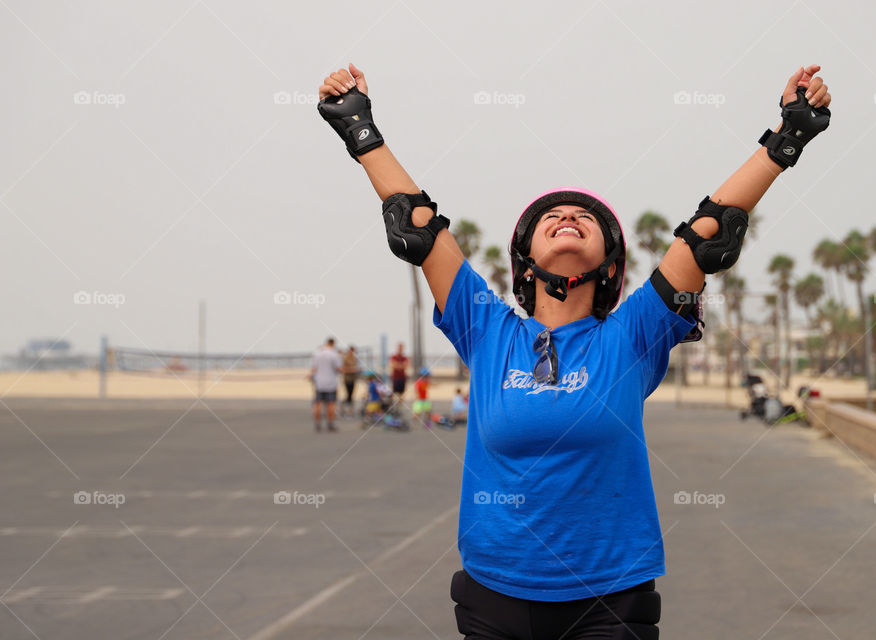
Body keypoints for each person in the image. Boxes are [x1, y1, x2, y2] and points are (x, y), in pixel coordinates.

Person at [318, 62, 831, 638]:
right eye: (551, 217)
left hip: (608, 600)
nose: (566, 217)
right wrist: (360, 130)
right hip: (495, 594)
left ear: (610, 265)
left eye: (583, 217)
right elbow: (416, 225)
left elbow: (709, 228)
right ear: (526, 258)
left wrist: (787, 138)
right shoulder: (487, 329)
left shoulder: (633, 333)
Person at [308, 337, 342, 432]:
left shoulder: (317, 354)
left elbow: (314, 369)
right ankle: (330, 423)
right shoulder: (334, 355)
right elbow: (338, 369)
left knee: (317, 404)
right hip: (331, 382)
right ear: (333, 344)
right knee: (331, 404)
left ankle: (317, 424)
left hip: (319, 382)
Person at [340, 345, 361, 416]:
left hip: (353, 379)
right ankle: (343, 408)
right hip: (347, 379)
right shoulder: (345, 359)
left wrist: (357, 370)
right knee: (348, 395)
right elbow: (343, 369)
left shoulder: (355, 359)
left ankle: (350, 410)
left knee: (351, 395)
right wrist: (353, 369)